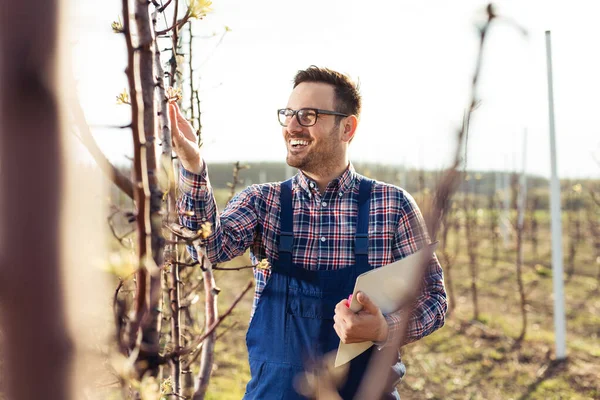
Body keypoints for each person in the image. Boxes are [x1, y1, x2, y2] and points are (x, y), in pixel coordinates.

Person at [170, 66, 447, 399]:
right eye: (288, 114)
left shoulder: (392, 205)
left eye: (308, 115)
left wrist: (383, 328)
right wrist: (192, 164)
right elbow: (206, 249)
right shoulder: (263, 202)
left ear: (347, 127)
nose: (291, 126)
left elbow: (433, 298)